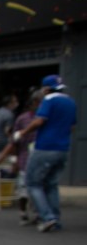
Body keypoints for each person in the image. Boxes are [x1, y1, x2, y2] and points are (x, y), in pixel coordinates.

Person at [15, 75, 78, 233]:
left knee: (33, 183)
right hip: (62, 149)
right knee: (51, 184)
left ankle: (47, 217)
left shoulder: (49, 99)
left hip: (45, 147)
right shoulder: (71, 102)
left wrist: (22, 132)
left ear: (46, 89)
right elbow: (72, 128)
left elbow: (39, 121)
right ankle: (55, 218)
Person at [0, 91, 42, 225]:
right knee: (24, 188)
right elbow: (13, 140)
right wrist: (5, 158)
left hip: (40, 159)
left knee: (37, 188)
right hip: (25, 158)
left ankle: (39, 214)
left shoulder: (45, 118)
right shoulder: (21, 119)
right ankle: (23, 213)